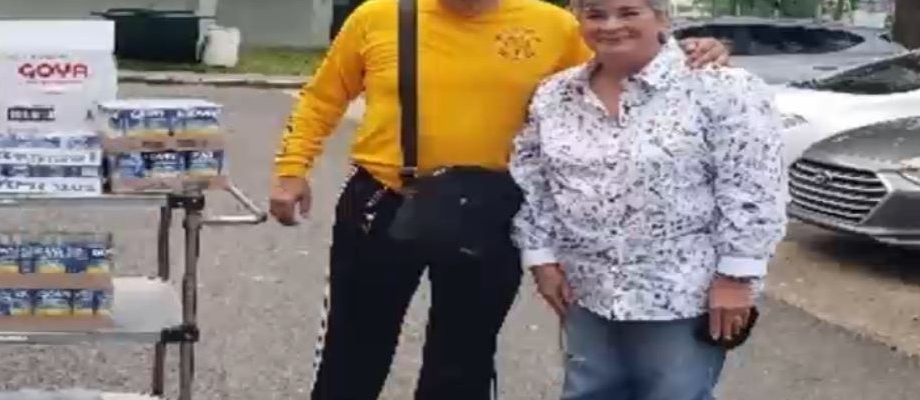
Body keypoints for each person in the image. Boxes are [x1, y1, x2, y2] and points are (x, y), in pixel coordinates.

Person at [268, 0, 731, 398]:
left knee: (463, 357)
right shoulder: (378, 16)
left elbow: (624, 63)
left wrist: (690, 51)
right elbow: (321, 99)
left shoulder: (553, 26)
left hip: (490, 211)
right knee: (353, 349)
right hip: (384, 202)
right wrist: (291, 170)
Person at [509, 0, 788, 399]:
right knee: (588, 393)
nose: (611, 25)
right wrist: (540, 257)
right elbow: (535, 178)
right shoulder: (556, 94)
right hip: (586, 288)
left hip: (680, 293)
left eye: (628, 12)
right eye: (595, 14)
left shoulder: (722, 87)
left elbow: (753, 185)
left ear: (661, 17)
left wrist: (737, 277)